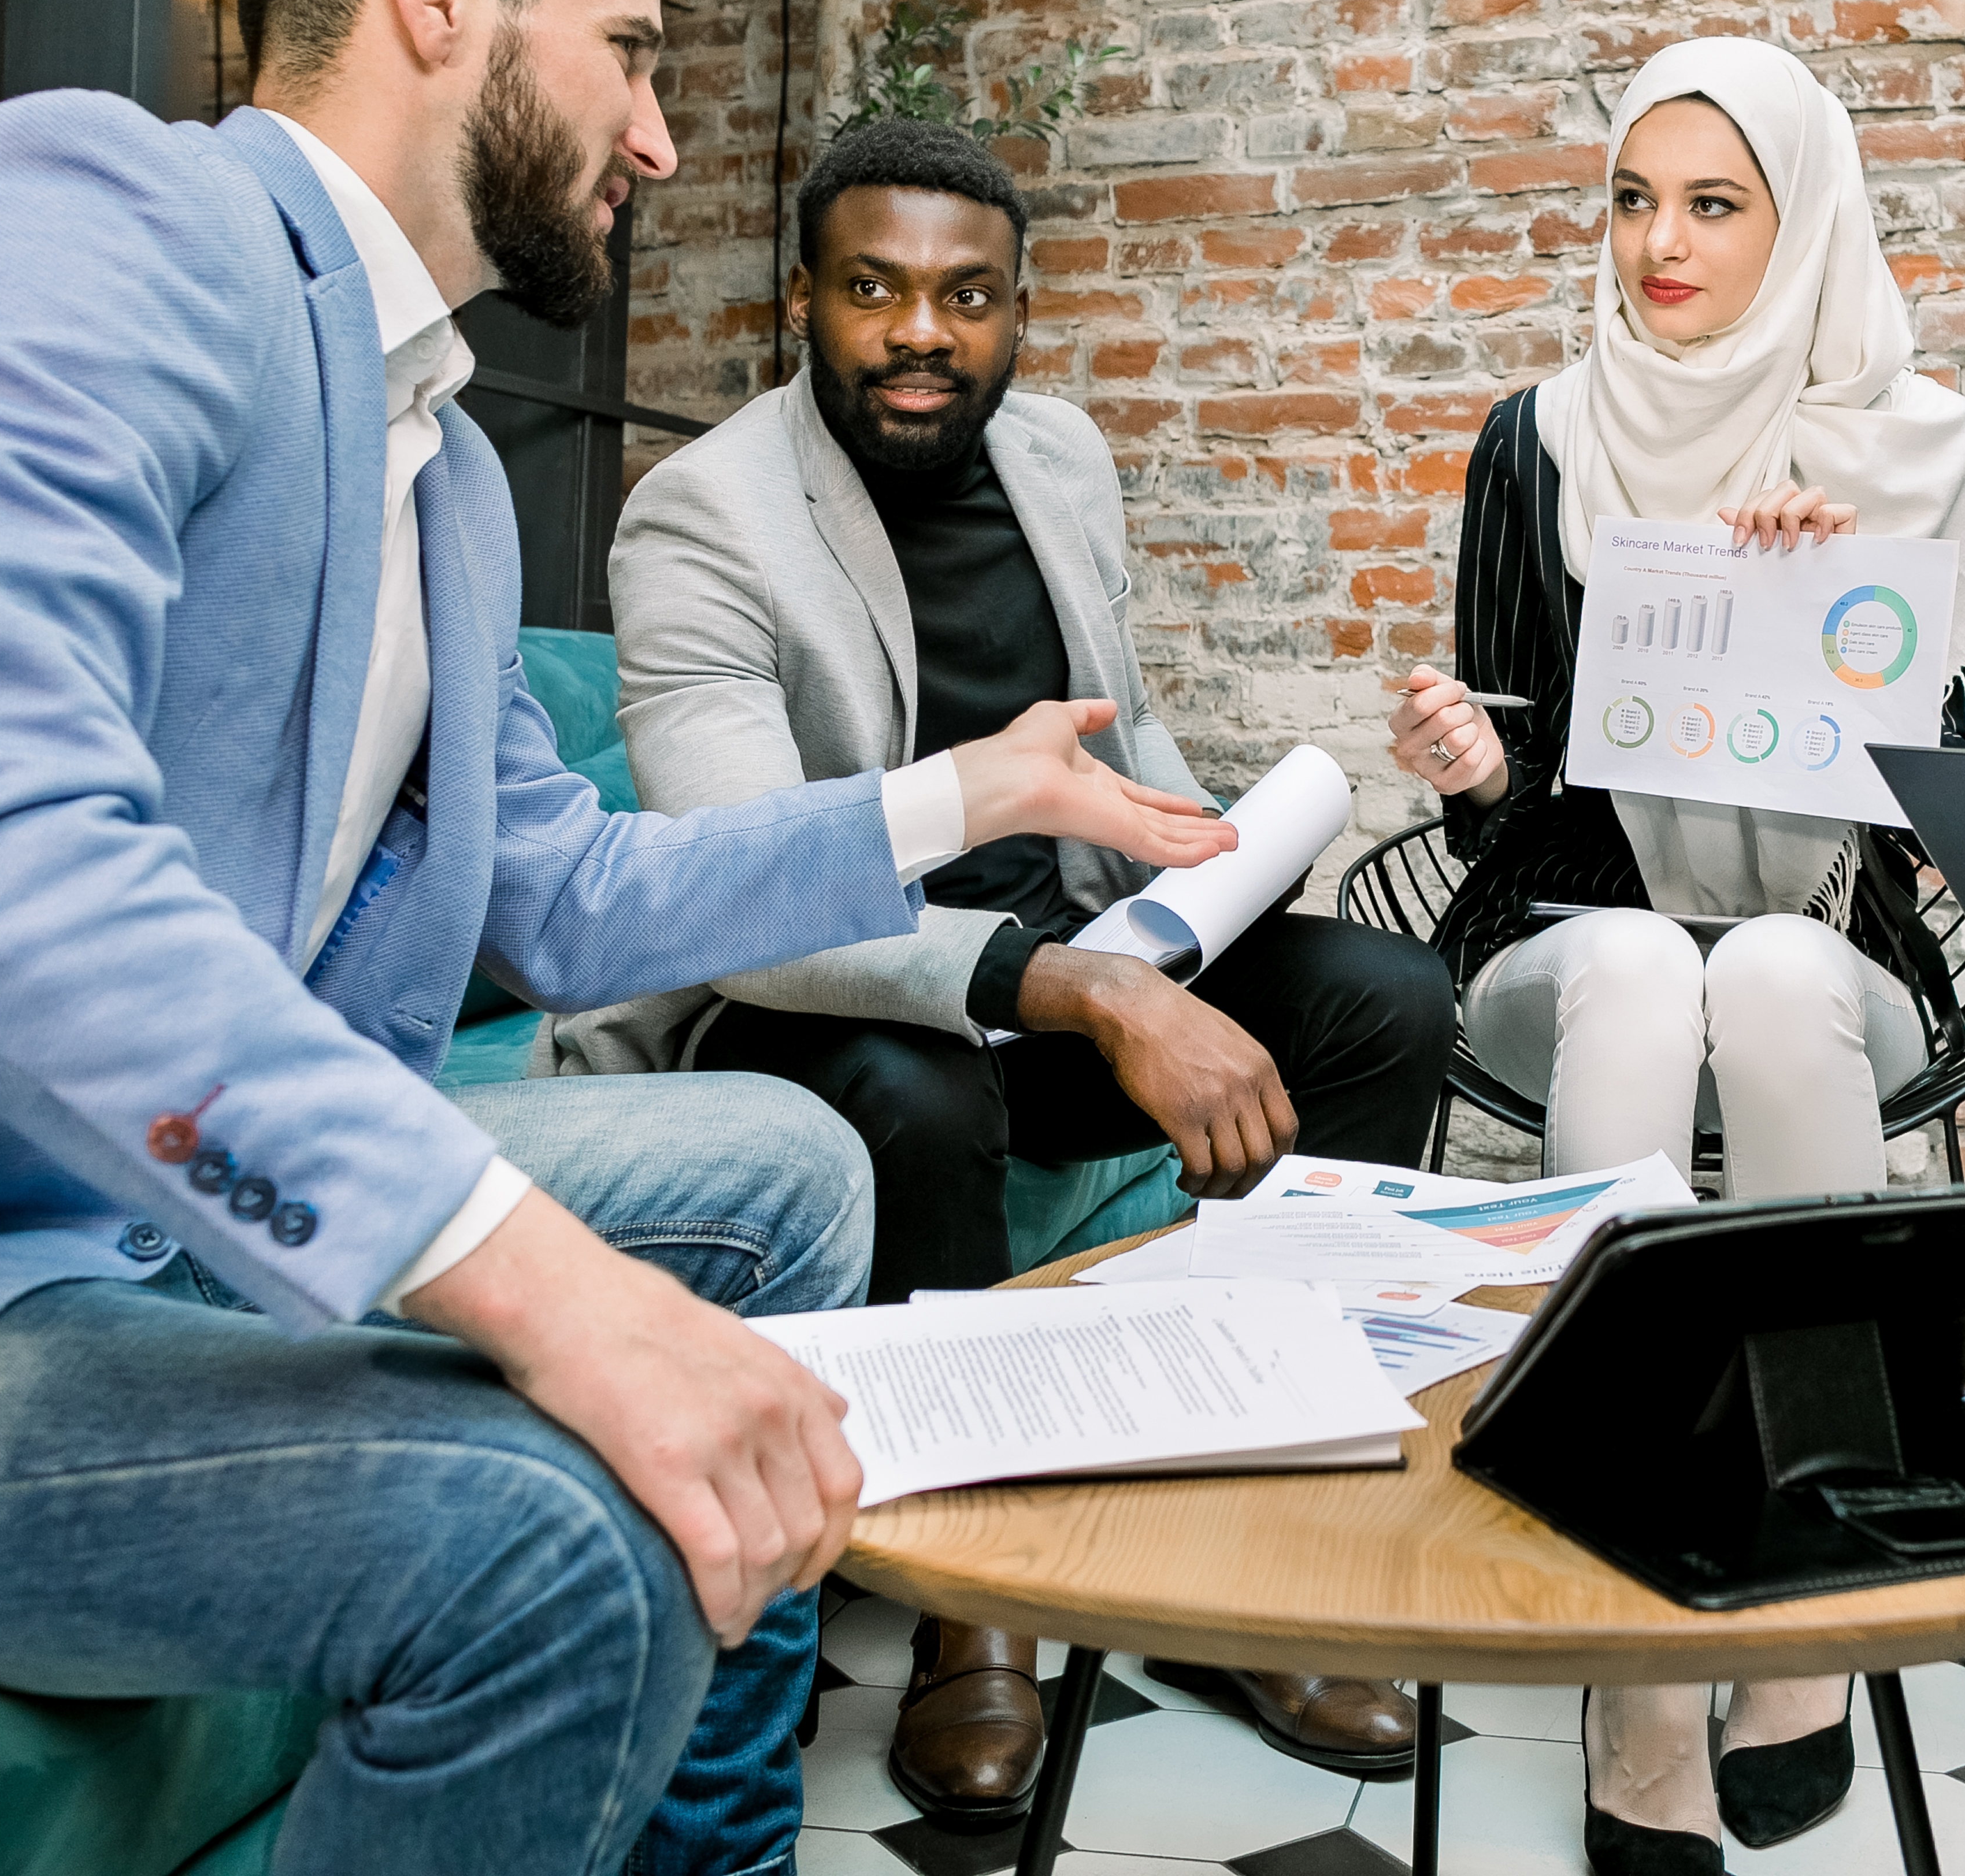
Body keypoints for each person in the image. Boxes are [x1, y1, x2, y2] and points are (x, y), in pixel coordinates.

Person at [0, 0, 1232, 1876]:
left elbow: (574, 895)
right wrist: (547, 1291)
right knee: (554, 1539)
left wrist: (975, 788)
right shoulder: (86, 216)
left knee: (781, 1166)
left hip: (111, 1210)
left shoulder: (448, 478)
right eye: (631, 54)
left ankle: (703, 1858)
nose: (663, 140)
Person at [551, 116, 1456, 1823]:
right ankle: (980, 1616)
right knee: (909, 1086)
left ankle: (1245, 1536)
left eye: (966, 298)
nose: (920, 333)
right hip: (822, 1009)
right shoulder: (703, 521)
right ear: (804, 299)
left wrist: (1214, 856)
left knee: (1381, 1002)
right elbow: (744, 894)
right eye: (875, 290)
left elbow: (1129, 730)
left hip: (1074, 955)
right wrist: (1093, 993)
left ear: (1017, 312)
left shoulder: (1057, 457)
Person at [1381, 35, 1965, 1874]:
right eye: (1633, 202)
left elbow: (1958, 811)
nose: (1662, 245)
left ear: (1801, 217)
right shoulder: (1542, 435)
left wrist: (1832, 615)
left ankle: (1801, 1571)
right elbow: (1506, 808)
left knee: (1771, 977)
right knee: (1664, 968)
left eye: (1714, 205)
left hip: (1839, 949)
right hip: (1571, 942)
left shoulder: (1924, 447)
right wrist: (1480, 763)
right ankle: (1637, 1648)